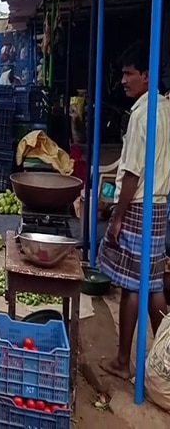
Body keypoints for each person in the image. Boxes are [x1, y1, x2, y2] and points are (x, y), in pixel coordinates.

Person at [98, 42, 170, 380]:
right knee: (152, 285)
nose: (123, 80)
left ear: (145, 76)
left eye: (129, 74)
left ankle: (123, 362)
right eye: (122, 74)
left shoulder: (143, 114)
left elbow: (132, 174)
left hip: (140, 206)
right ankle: (165, 356)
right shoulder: (165, 108)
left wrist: (117, 216)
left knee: (132, 287)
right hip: (159, 207)